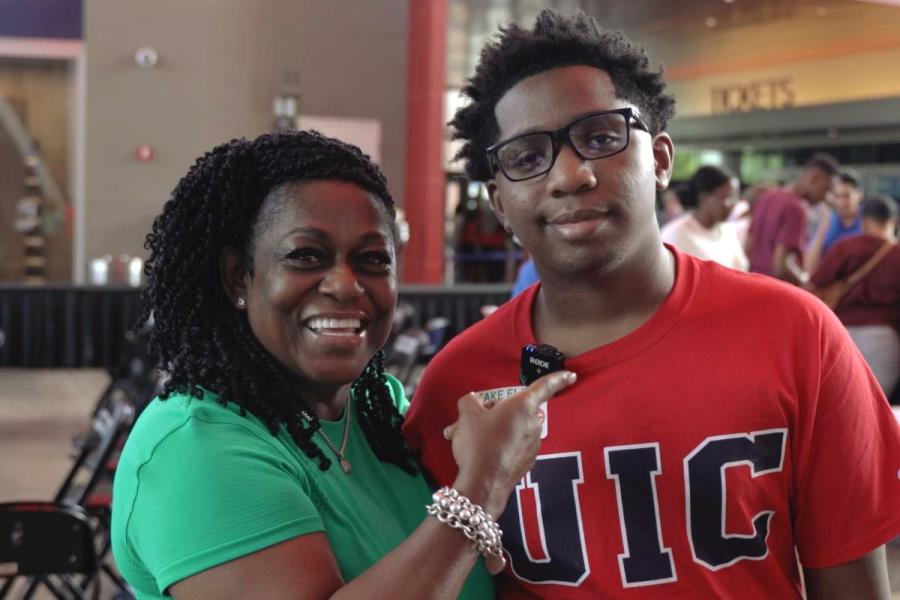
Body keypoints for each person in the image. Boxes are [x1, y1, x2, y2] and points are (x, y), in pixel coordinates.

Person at [402, 10, 900, 599]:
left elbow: (853, 585)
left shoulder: (797, 335)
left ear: (661, 160)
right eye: (527, 158)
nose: (569, 175)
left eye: (600, 138)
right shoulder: (457, 386)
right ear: (500, 203)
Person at [110, 130, 576, 600]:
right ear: (238, 278)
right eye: (305, 256)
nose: (346, 285)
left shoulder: (379, 413)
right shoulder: (192, 449)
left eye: (372, 259)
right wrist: (480, 486)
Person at [809, 195, 900, 397]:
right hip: (884, 339)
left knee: (840, 402)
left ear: (864, 221)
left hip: (839, 336)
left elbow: (814, 285)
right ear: (893, 222)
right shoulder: (896, 254)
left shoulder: (845, 247)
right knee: (875, 403)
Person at [748, 153, 839, 284]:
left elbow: (747, 247)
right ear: (815, 178)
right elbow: (781, 267)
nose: (826, 197)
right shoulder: (796, 208)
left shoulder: (768, 197)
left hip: (754, 284)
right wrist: (806, 285)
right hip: (776, 290)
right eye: (827, 189)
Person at [660, 165, 748, 270]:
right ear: (704, 197)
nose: (733, 205)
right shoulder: (675, 234)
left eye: (735, 197)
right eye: (727, 197)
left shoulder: (728, 231)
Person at [805, 169, 864, 273]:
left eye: (846, 196)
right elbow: (808, 267)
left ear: (859, 194)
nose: (841, 202)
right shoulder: (828, 221)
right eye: (837, 196)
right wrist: (823, 229)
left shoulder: (869, 221)